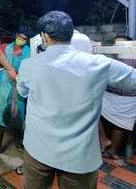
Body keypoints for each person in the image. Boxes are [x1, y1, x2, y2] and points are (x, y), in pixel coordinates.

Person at [17, 11, 136, 189]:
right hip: (79, 157)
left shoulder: (29, 65)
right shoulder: (100, 65)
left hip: (38, 149)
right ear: (71, 34)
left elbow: (22, 92)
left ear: (44, 37)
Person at [0, 26, 31, 156]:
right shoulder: (6, 47)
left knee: (18, 116)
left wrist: (17, 75)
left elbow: (29, 71)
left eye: (24, 39)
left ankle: (20, 141)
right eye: (19, 37)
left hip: (18, 87)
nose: (21, 40)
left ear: (27, 41)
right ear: (16, 35)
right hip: (2, 85)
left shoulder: (29, 52)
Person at [100, 35, 136, 165]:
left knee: (122, 123)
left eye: (123, 45)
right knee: (92, 110)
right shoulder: (110, 58)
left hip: (129, 97)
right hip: (109, 94)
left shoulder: (134, 56)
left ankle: (113, 151)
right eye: (117, 45)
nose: (119, 47)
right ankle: (104, 140)